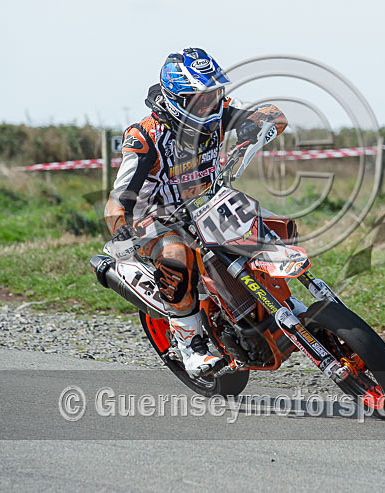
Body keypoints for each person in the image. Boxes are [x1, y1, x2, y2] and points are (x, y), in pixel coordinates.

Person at [104, 47, 287, 377]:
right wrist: (121, 229)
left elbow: (275, 115)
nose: (209, 104)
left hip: (207, 204)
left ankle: (275, 306)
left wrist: (257, 132)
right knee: (176, 254)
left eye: (214, 94)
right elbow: (118, 198)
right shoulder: (144, 135)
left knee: (275, 226)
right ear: (176, 98)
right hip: (155, 217)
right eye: (198, 99)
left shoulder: (219, 113)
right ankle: (191, 347)